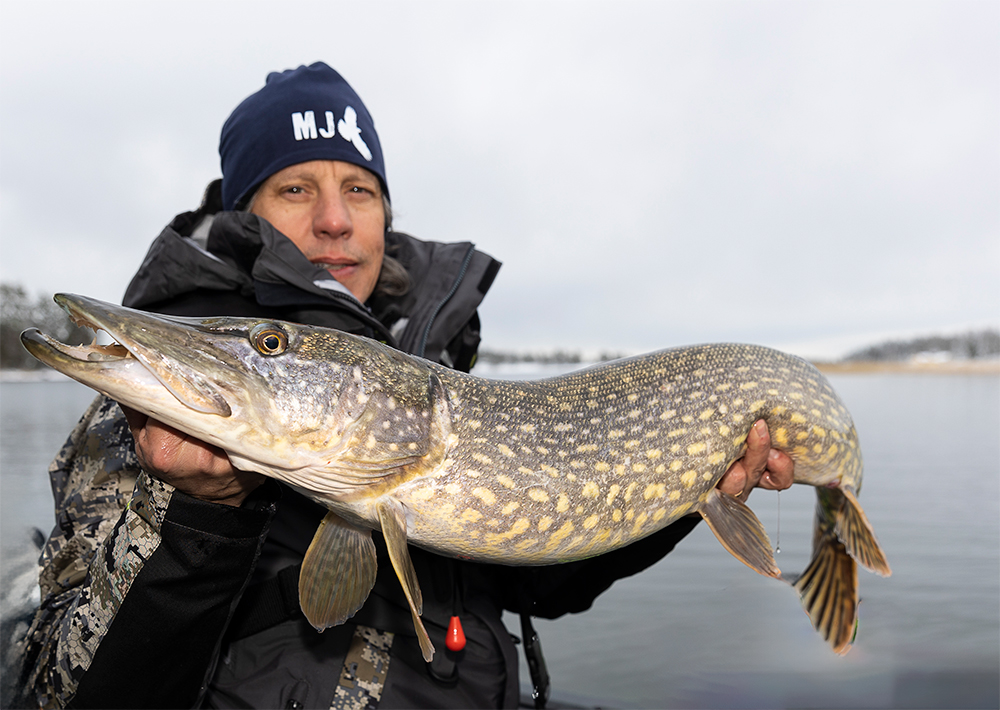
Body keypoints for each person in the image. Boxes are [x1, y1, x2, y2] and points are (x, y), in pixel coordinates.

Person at [17, 63, 793, 709]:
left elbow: (541, 577)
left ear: (385, 212)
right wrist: (200, 518)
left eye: (359, 189)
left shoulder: (434, 379)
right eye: (293, 189)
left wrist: (692, 482)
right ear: (242, 215)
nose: (333, 219)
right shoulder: (146, 420)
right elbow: (62, 690)